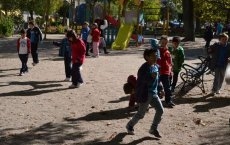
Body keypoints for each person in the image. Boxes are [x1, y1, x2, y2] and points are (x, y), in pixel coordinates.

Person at [126, 49, 164, 138]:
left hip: (154, 94)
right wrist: (150, 76)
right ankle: (130, 125)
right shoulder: (143, 68)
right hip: (145, 94)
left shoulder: (156, 66)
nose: (155, 58)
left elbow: (158, 80)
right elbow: (141, 81)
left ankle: (153, 129)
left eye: (156, 55)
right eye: (153, 56)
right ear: (147, 57)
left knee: (160, 110)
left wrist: (161, 89)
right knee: (141, 114)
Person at [157, 35, 175, 108]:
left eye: (166, 42)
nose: (164, 44)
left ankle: (168, 101)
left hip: (166, 72)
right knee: (156, 87)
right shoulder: (157, 50)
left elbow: (170, 62)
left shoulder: (167, 51)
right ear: (160, 42)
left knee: (167, 88)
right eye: (163, 42)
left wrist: (171, 71)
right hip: (158, 72)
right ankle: (155, 101)